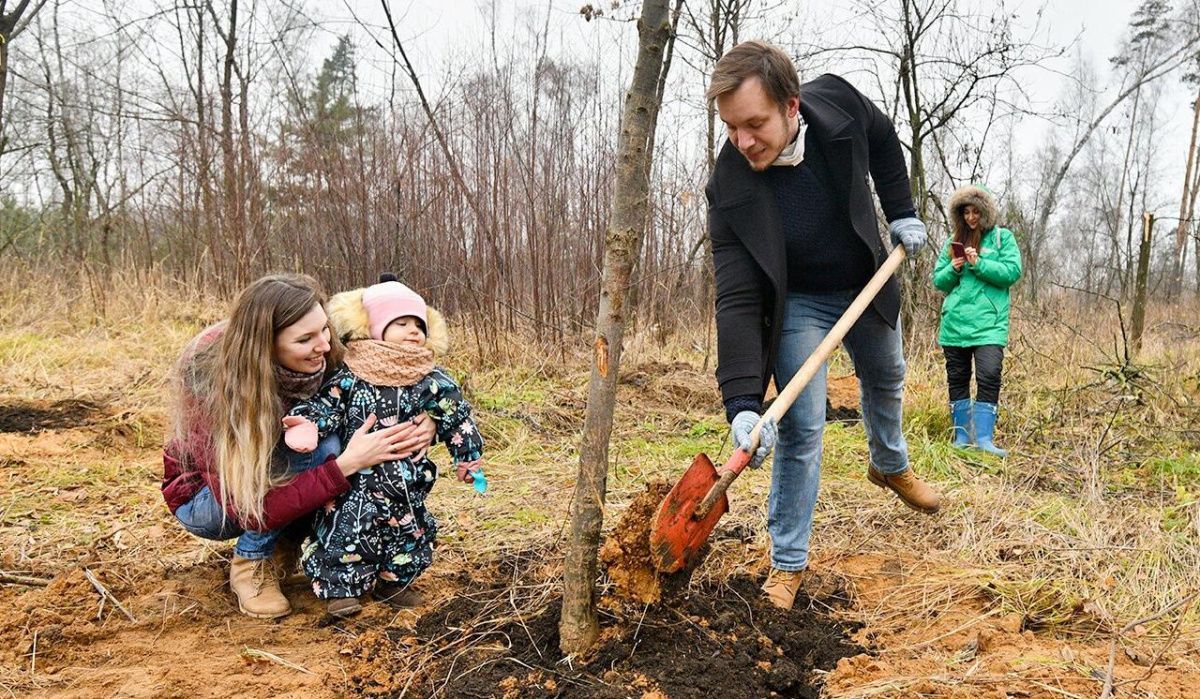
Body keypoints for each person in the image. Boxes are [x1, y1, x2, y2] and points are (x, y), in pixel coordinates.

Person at [705, 40, 942, 611]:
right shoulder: (729, 187)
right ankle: (787, 563)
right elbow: (736, 298)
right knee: (802, 428)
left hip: (865, 278)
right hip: (800, 305)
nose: (743, 141)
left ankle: (888, 464)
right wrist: (741, 403)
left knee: (887, 374)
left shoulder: (836, 104)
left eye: (755, 124)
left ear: (791, 107)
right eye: (732, 128)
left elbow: (885, 140)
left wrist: (902, 208)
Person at [161, 273, 437, 619]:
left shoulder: (327, 353)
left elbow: (398, 359)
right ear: (266, 347)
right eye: (305, 339)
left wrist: (430, 417)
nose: (323, 345)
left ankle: (286, 546)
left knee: (343, 446)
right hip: (212, 500)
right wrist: (345, 465)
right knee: (329, 450)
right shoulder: (214, 382)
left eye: (324, 329)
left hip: (278, 479)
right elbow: (246, 502)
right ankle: (253, 560)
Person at [284, 276, 484, 618]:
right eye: (401, 323)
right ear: (374, 328)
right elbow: (326, 405)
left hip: (407, 482)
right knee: (347, 536)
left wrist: (467, 457)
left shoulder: (431, 379)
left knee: (408, 532)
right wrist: (307, 425)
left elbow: (456, 415)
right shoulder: (352, 374)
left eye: (419, 325)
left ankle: (396, 582)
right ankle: (342, 591)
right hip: (357, 485)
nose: (413, 332)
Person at [932, 184, 1022, 457]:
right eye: (966, 212)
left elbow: (1012, 272)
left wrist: (979, 263)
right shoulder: (953, 241)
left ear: (986, 212)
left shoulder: (1001, 239)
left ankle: (983, 438)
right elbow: (939, 280)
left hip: (989, 325)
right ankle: (962, 436)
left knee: (989, 375)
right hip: (955, 323)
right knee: (957, 378)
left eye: (976, 212)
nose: (971, 217)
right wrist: (954, 267)